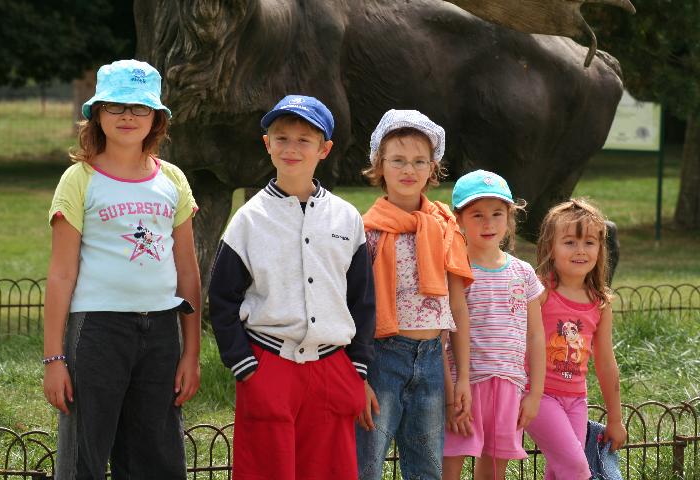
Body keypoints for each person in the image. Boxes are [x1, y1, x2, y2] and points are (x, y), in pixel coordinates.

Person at [43, 59, 202, 480]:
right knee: (86, 456)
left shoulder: (173, 180)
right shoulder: (79, 179)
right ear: (97, 113)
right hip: (97, 332)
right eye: (115, 105)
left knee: (157, 456)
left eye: (139, 107)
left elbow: (188, 273)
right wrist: (54, 358)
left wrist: (191, 354)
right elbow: (61, 274)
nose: (128, 116)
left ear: (157, 118)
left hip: (162, 332)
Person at [208, 94, 375, 480]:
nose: (291, 148)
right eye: (281, 138)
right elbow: (222, 298)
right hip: (269, 364)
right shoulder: (249, 219)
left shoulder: (347, 218)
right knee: (268, 470)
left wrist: (357, 367)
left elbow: (362, 299)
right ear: (267, 144)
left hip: (332, 366)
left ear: (324, 149)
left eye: (304, 140)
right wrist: (244, 365)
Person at [356, 109, 474, 480]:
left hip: (432, 359)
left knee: (427, 468)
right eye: (398, 160)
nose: (409, 169)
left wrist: (462, 377)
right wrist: (358, 378)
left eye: (419, 161)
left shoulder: (445, 227)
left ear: (432, 168)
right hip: (381, 359)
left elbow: (457, 307)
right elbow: (354, 308)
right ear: (380, 165)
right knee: (366, 465)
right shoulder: (366, 232)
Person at [443, 169, 545, 480]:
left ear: (509, 217)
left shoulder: (523, 272)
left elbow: (535, 335)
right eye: (477, 215)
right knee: (451, 461)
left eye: (497, 214)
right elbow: (442, 334)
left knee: (495, 468)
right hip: (465, 385)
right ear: (459, 219)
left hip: (510, 385)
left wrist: (535, 394)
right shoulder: (454, 270)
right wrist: (450, 392)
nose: (488, 223)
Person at [525, 198, 627, 479]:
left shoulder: (600, 302)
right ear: (550, 247)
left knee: (559, 472)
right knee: (576, 469)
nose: (580, 250)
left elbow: (606, 363)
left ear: (600, 248)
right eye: (570, 242)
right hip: (538, 395)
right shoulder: (539, 292)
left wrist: (615, 419)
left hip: (576, 400)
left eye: (589, 243)